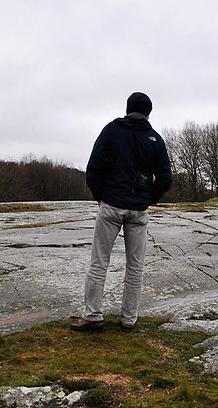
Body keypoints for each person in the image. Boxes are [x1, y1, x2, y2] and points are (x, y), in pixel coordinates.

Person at [71, 92, 173, 332]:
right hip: (138, 211)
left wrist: (101, 197)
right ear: (149, 113)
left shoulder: (111, 131)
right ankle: (129, 319)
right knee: (135, 266)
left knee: (99, 263)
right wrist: (149, 198)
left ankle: (93, 316)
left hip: (111, 205)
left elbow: (93, 168)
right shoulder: (155, 139)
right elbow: (166, 179)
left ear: (127, 109)